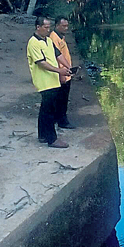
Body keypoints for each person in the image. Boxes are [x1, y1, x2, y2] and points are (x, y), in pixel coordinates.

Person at [27, 17, 71, 148]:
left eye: (48, 27)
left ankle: (42, 135)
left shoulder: (48, 40)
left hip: (52, 79)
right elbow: (41, 63)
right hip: (44, 80)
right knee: (50, 110)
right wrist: (59, 71)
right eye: (45, 27)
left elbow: (58, 54)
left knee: (45, 108)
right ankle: (52, 139)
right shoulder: (33, 43)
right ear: (38, 27)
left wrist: (67, 67)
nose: (48, 30)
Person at [50, 16, 76, 129]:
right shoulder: (54, 38)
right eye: (63, 26)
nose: (66, 28)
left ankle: (58, 118)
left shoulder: (60, 37)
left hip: (66, 71)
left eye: (67, 25)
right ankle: (62, 121)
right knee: (62, 98)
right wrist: (61, 73)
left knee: (62, 98)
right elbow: (55, 57)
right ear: (57, 26)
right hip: (62, 73)